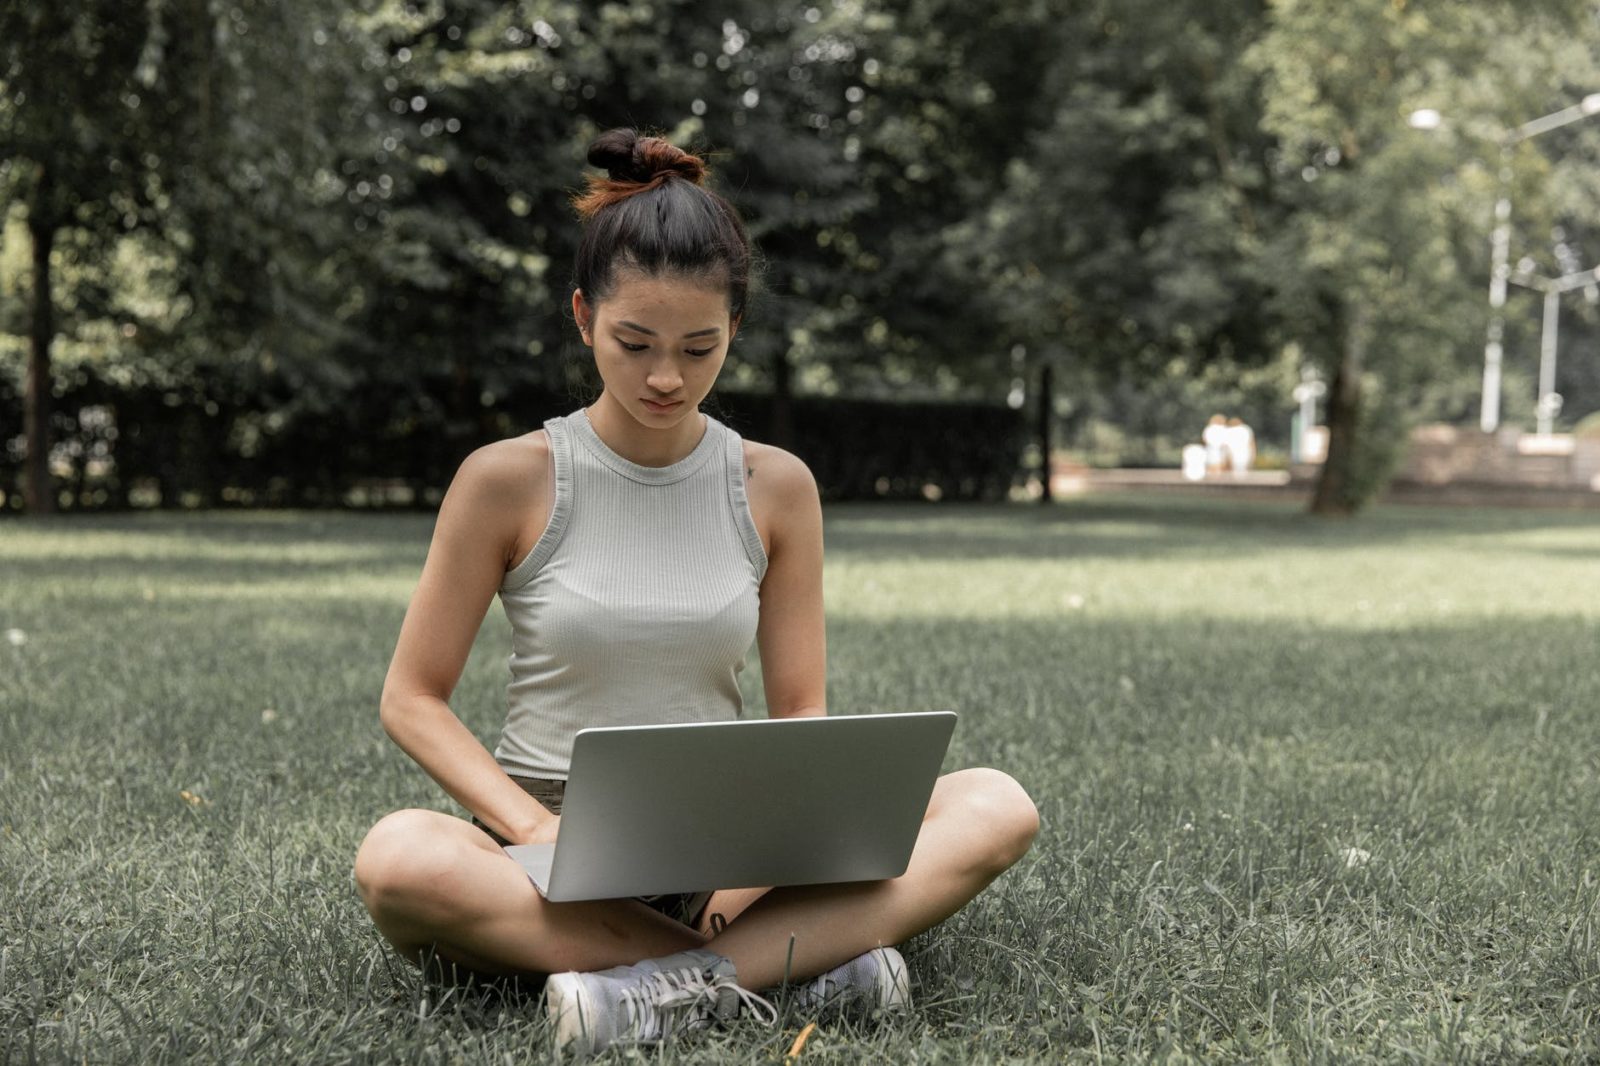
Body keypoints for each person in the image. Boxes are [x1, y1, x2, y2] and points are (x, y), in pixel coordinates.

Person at [351, 128, 1040, 1055]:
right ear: (583, 316)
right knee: (400, 858)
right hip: (539, 852)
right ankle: (802, 965)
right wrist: (535, 830)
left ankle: (663, 989)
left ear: (735, 333)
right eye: (634, 342)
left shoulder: (776, 486)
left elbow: (801, 714)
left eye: (699, 346)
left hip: (725, 852)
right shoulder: (506, 479)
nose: (666, 377)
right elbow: (411, 698)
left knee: (997, 802)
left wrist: (798, 841)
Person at [1202, 414, 1229, 478]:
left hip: (1210, 452)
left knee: (1210, 471)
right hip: (1220, 453)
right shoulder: (1224, 429)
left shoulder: (1208, 429)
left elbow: (1204, 440)